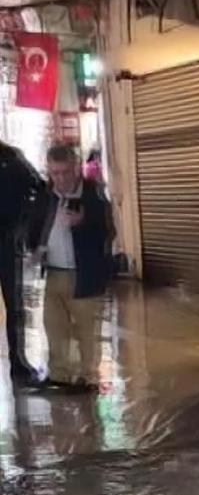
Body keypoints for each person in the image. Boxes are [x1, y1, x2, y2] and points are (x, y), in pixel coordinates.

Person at [28, 144, 114, 392]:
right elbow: (34, 224)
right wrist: (34, 247)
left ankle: (90, 378)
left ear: (76, 168)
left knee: (87, 330)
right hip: (53, 272)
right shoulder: (46, 194)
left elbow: (109, 231)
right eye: (54, 173)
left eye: (65, 172)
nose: (60, 179)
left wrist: (83, 222)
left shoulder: (93, 194)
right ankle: (60, 376)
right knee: (54, 327)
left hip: (84, 273)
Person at [0, 141, 45, 384]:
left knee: (15, 307)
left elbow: (39, 187)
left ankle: (18, 364)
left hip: (7, 242)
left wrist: (24, 226)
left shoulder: (12, 157)